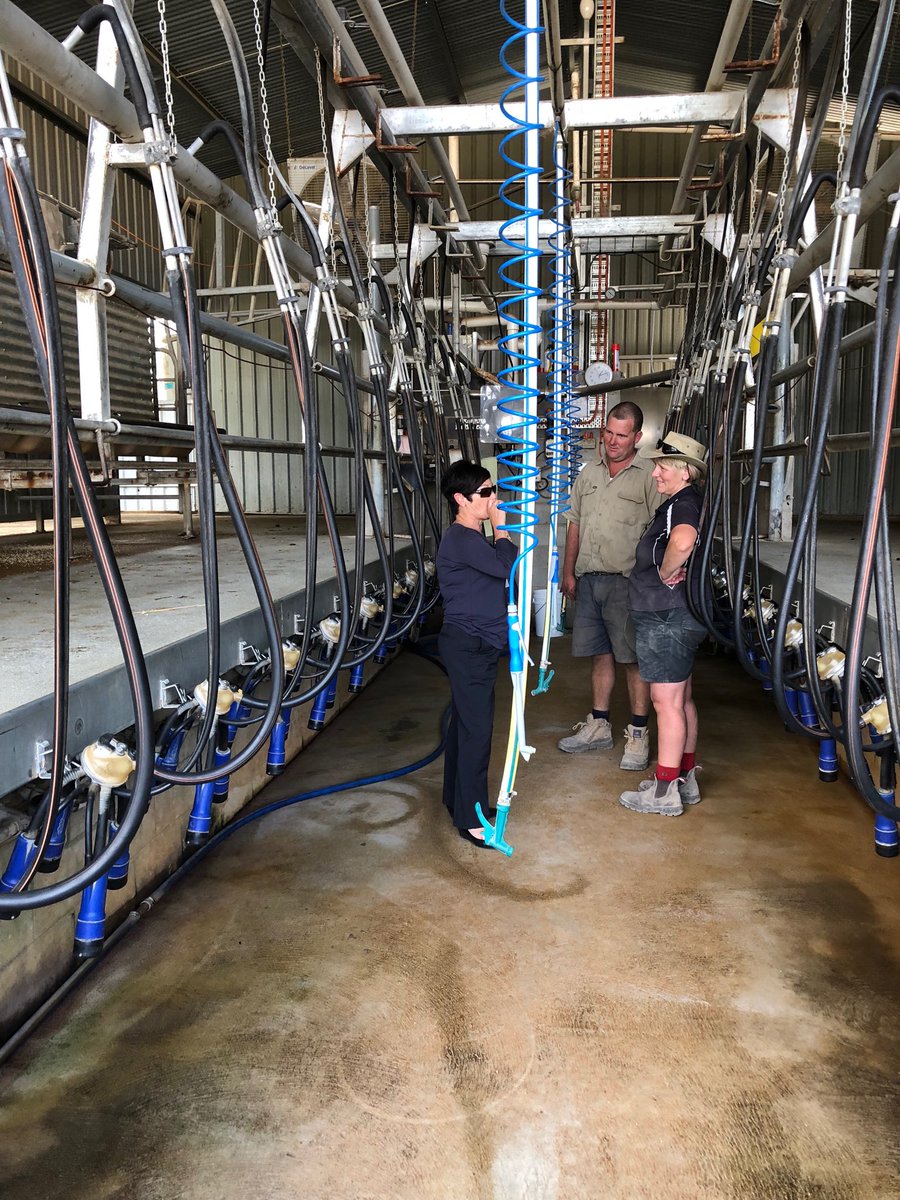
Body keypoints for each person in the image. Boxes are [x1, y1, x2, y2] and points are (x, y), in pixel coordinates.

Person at [558, 400, 662, 770]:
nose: (613, 442)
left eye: (622, 435)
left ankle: (637, 734)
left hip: (627, 583)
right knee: (599, 654)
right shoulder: (588, 474)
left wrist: (653, 583)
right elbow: (575, 523)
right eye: (609, 433)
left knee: (632, 660)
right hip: (589, 580)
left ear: (637, 437)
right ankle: (599, 725)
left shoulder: (649, 475)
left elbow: (661, 532)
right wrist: (567, 571)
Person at [618, 432, 708, 818]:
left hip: (665, 614)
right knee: (681, 700)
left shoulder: (682, 504)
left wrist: (667, 570)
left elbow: (683, 541)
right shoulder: (684, 501)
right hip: (678, 613)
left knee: (665, 703)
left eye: (663, 467)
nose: (655, 473)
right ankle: (684, 779)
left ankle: (663, 792)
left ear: (684, 472)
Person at [436, 461, 517, 847]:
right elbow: (505, 566)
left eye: (492, 490)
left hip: (474, 643)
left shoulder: (471, 537)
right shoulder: (462, 539)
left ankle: (455, 799)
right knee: (477, 730)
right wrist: (502, 527)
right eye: (485, 493)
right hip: (469, 644)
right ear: (461, 499)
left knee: (465, 725)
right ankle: (471, 818)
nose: (492, 498)